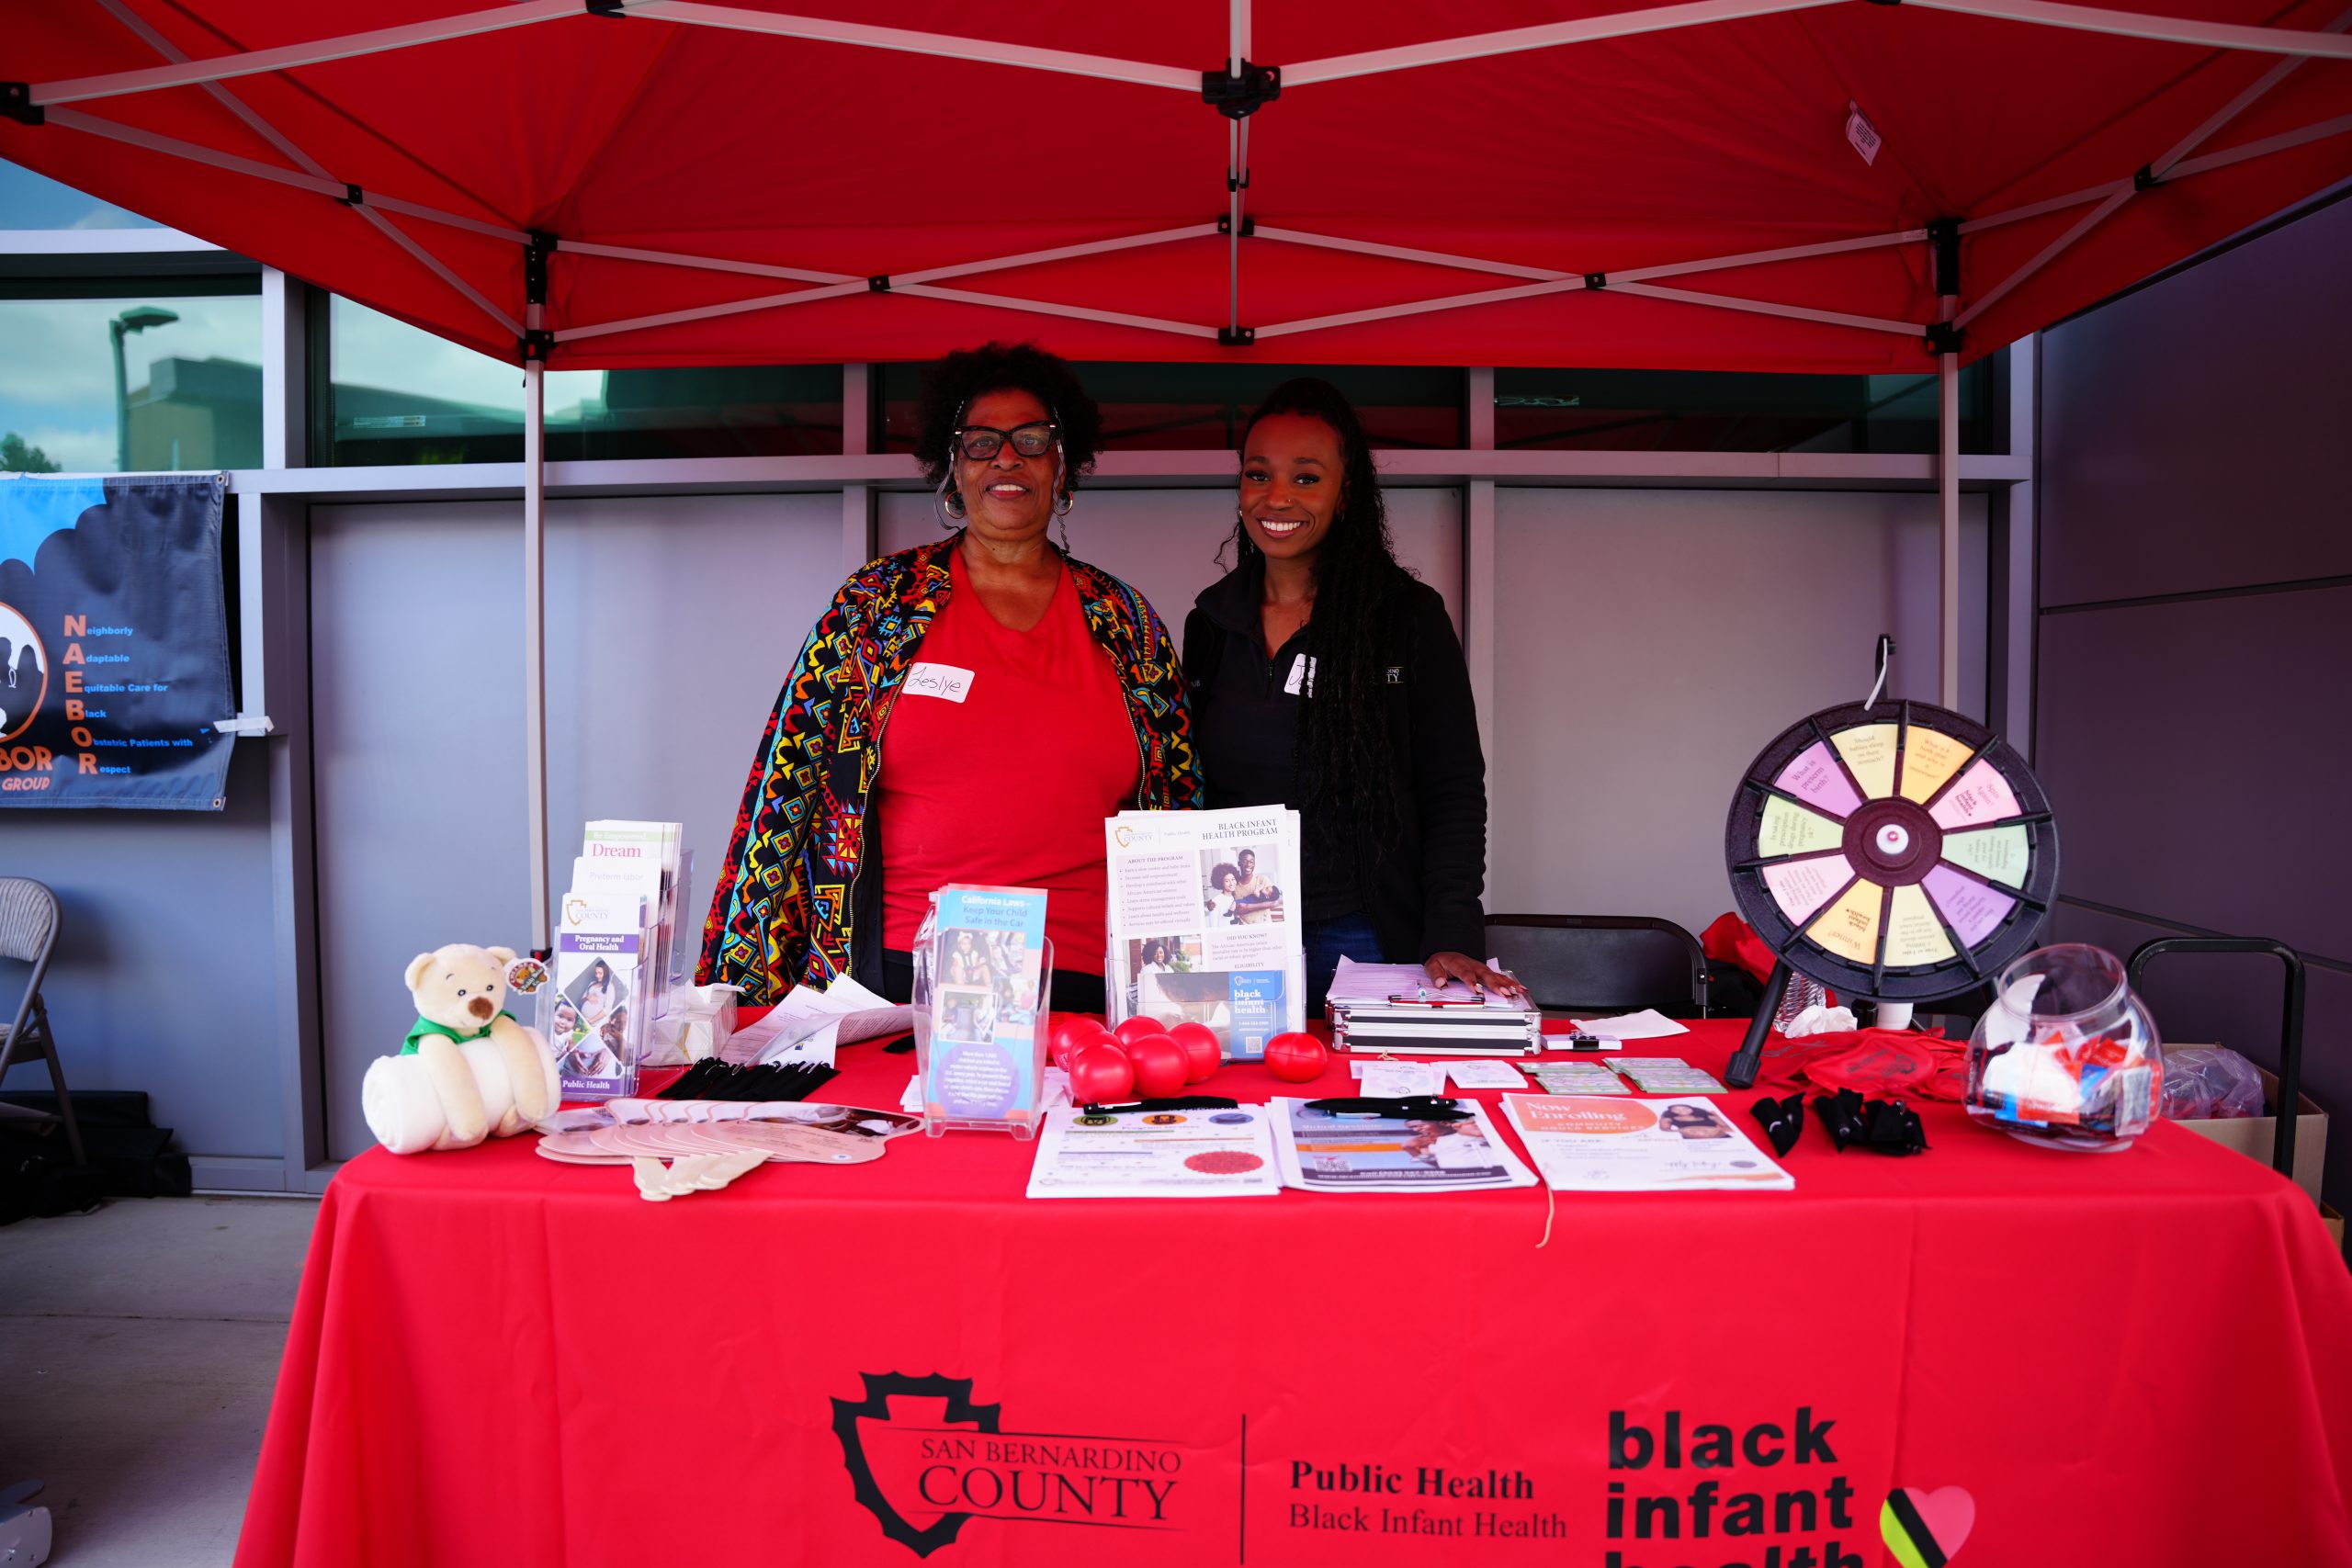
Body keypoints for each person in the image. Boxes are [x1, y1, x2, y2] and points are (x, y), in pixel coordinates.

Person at [699, 343, 1202, 1011]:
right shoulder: (876, 606)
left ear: (1063, 465)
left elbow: (1181, 813)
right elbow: (785, 786)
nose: (1006, 457)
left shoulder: (1128, 624)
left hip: (1085, 986)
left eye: (1032, 439)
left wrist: (1188, 991)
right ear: (952, 468)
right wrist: (739, 992)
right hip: (902, 988)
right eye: (980, 442)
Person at [1184, 378, 1523, 1013]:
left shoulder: (1404, 618)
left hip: (1360, 934)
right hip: (1234, 933)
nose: (1276, 496)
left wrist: (1451, 930)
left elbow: (1452, 787)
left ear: (1346, 494)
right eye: (1259, 474)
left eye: (1306, 477)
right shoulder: (1210, 624)